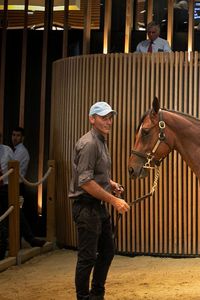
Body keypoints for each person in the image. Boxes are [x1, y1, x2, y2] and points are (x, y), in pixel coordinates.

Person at [69, 101, 130, 299]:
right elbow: (85, 182)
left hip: (96, 206)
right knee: (87, 258)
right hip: (86, 207)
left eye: (110, 117)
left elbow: (94, 174)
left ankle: (97, 294)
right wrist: (114, 200)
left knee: (107, 251)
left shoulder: (101, 141)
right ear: (92, 119)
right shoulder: (89, 144)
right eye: (104, 117)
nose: (109, 121)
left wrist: (110, 183)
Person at [11, 127, 46, 248]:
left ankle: (27, 239)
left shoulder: (21, 152)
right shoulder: (14, 151)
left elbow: (11, 169)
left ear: (22, 138)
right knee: (17, 214)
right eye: (13, 135)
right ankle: (25, 240)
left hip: (16, 185)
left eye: (18, 135)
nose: (15, 138)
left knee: (17, 214)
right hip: (13, 185)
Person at [0, 132, 14, 260]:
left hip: (4, 188)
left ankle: (1, 250)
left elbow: (15, 168)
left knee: (3, 220)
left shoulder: (7, 150)